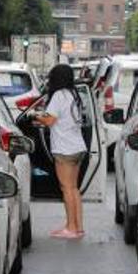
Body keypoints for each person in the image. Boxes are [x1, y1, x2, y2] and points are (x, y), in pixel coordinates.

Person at [35, 64, 87, 239]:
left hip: (64, 149)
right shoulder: (74, 94)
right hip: (78, 147)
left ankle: (71, 228)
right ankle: (77, 227)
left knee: (66, 188)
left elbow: (49, 121)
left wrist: (36, 117)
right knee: (74, 188)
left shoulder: (58, 95)